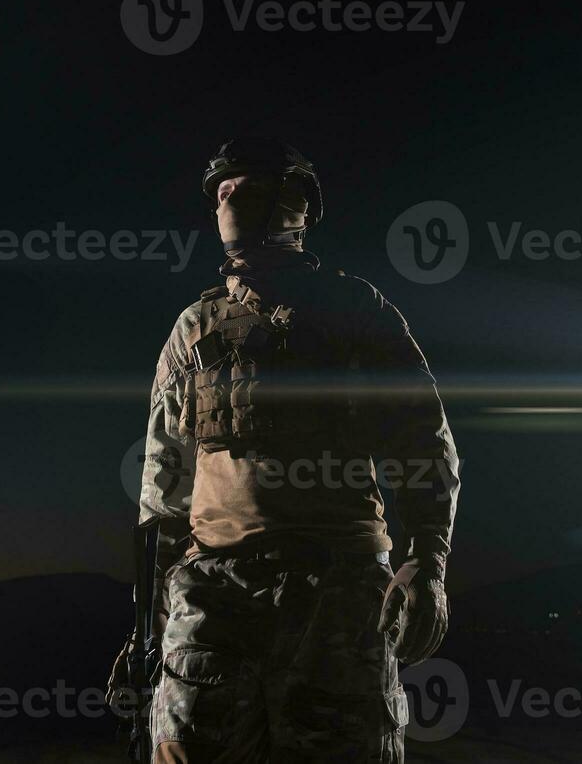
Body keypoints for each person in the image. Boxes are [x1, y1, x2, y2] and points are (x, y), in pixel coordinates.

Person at [135, 137, 460, 763]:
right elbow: (164, 474)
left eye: (247, 188)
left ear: (294, 206)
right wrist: (150, 615)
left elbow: (422, 440)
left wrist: (427, 562)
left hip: (333, 587)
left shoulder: (353, 309)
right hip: (212, 593)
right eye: (222, 192)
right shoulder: (194, 328)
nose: (229, 201)